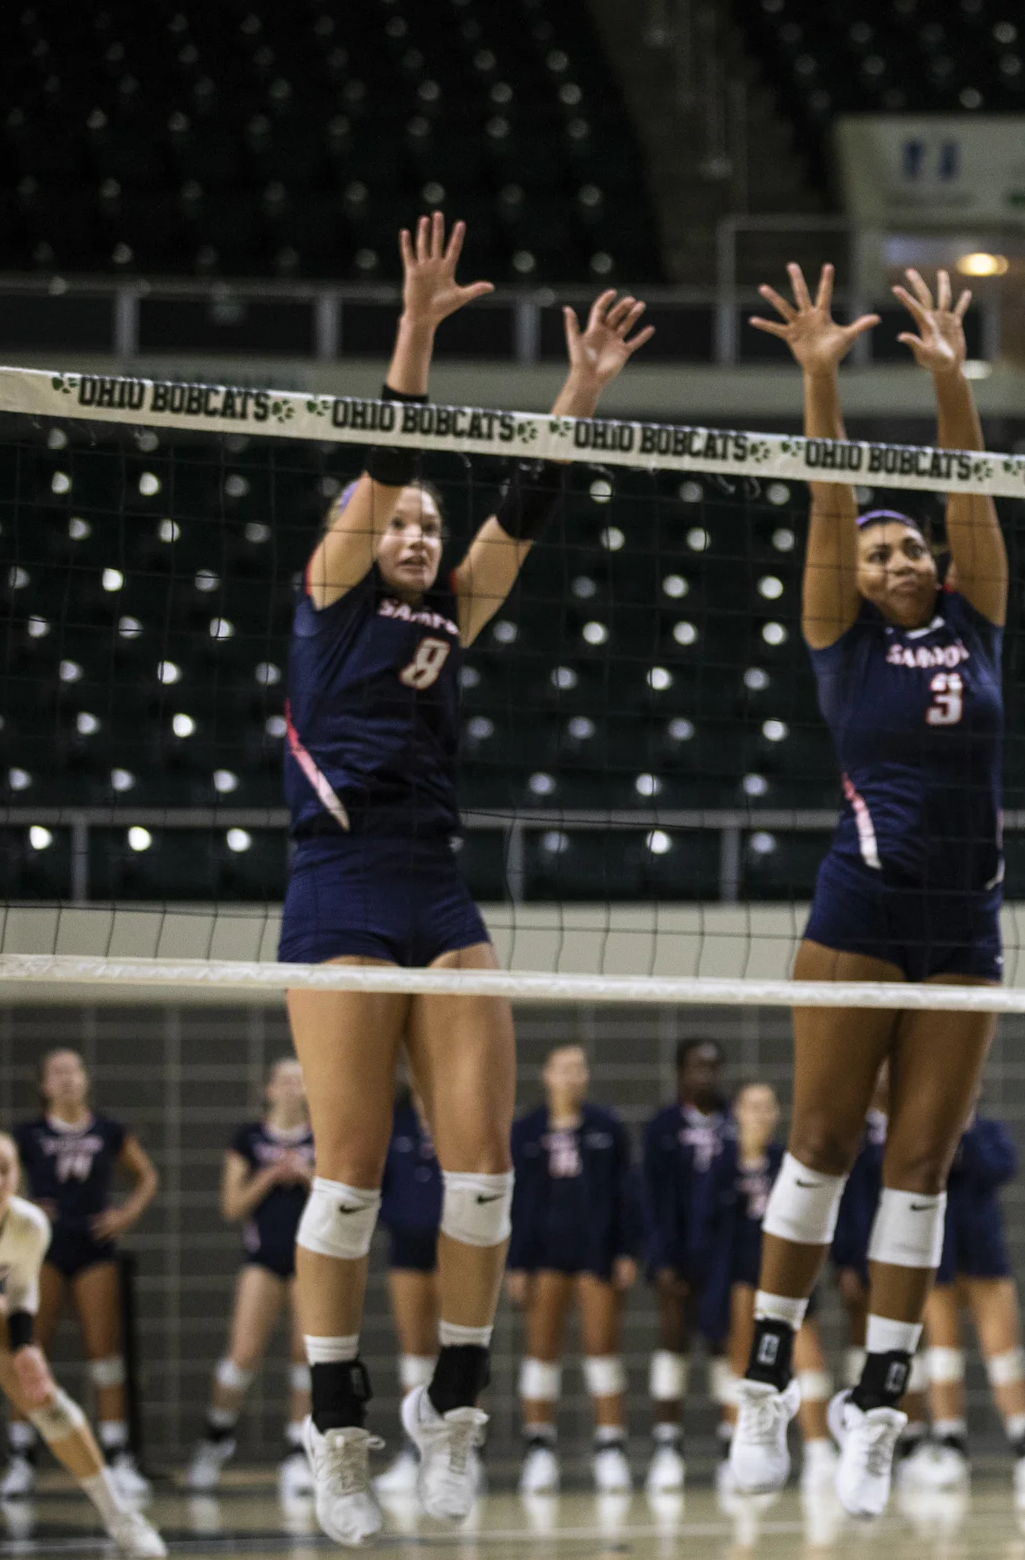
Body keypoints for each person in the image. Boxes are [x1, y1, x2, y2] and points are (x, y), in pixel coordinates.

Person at [276, 210, 652, 1545]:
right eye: (404, 518)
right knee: (349, 1178)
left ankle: (454, 1404)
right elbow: (390, 454)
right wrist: (417, 327)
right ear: (363, 528)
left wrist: (582, 387)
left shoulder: (447, 609)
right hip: (336, 884)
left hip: (435, 886)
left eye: (433, 521)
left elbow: (526, 506)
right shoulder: (332, 592)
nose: (421, 528)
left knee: (483, 1172)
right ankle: (334, 1421)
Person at [724, 263, 1011, 1518]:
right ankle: (765, 1385)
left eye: (909, 546)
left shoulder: (976, 618)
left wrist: (949, 377)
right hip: (860, 911)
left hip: (965, 922)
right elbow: (828, 499)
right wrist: (820, 379)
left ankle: (879, 1405)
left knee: (925, 1163)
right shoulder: (841, 643)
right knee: (823, 1143)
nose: (894, 554)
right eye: (877, 548)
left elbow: (970, 490)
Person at [0, 1131, 165, 1556]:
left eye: (4, 1169)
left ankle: (121, 1519)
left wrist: (24, 1344)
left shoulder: (28, 1225)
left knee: (46, 1401)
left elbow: (21, 1287)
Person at [9, 1048, 157, 1499]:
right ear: (43, 1085)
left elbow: (147, 1177)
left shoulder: (108, 1130)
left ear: (86, 1079)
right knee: (30, 1351)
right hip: (43, 1250)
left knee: (104, 1353)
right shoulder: (28, 1134)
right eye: (57, 1072)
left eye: (74, 1071)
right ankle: (21, 1457)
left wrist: (125, 1215)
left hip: (94, 1247)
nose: (68, 1079)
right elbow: (1, 1180)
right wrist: (24, 1208)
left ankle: (116, 1456)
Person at [505, 1045, 646, 1496]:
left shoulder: (606, 1127)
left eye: (579, 1068)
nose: (572, 1076)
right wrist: (517, 1262)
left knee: (602, 1347)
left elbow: (626, 1193)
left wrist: (626, 1250)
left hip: (595, 1253)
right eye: (563, 1068)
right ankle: (539, 1448)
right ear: (547, 1075)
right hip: (544, 1254)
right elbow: (517, 1199)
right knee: (541, 1349)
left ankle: (610, 1447)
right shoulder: (527, 1130)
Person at [186, 1059, 316, 1497]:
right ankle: (215, 1437)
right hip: (262, 1257)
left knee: (306, 1353)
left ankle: (298, 1451)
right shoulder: (249, 1138)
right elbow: (231, 1206)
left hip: (309, 1259)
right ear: (268, 1089)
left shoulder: (321, 1137)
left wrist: (306, 1175)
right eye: (283, 1080)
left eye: (299, 1080)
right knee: (242, 1353)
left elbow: (339, 1196)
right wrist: (269, 1176)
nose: (291, 1088)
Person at [916, 1112, 1025, 1508]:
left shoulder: (987, 1129)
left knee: (1004, 1353)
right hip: (938, 1251)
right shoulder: (924, 1125)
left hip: (983, 1251)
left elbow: (1000, 1168)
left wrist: (963, 1134)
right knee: (942, 1354)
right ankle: (949, 1441)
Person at [705, 1083, 835, 1496]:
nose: (760, 1115)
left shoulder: (786, 1164)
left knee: (807, 1358)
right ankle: (733, 1452)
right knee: (741, 1363)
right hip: (739, 1276)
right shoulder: (721, 1167)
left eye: (767, 1107)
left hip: (786, 1274)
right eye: (752, 1107)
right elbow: (707, 1224)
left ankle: (819, 1452)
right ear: (737, 1114)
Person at [641, 1039, 734, 1493]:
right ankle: (667, 1444)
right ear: (680, 1072)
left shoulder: (734, 1123)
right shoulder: (663, 1127)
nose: (706, 1075)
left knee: (726, 1346)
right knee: (673, 1342)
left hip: (724, 1256)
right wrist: (661, 1258)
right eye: (697, 1067)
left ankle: (730, 1447)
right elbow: (651, 1197)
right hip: (679, 1254)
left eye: (713, 1067)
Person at [371, 1086, 441, 1500]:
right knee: (415, 1350)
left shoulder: (456, 1106)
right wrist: (397, 1215)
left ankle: (463, 1455)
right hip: (407, 1243)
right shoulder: (392, 1118)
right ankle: (415, 1451)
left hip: (455, 1241)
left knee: (461, 1348)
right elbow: (375, 1179)